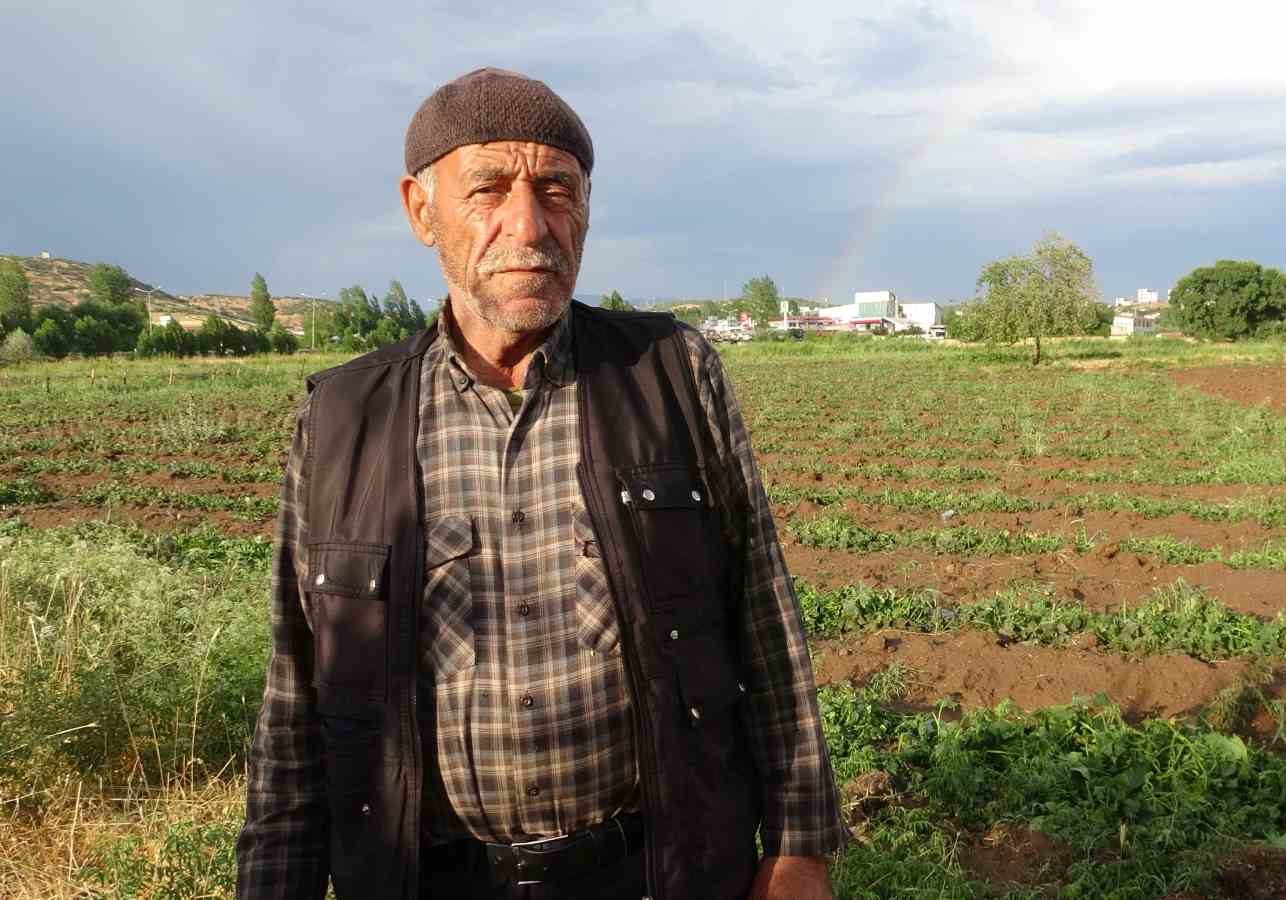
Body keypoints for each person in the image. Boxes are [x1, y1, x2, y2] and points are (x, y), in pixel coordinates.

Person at [235, 67, 845, 900]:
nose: (530, 224)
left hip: (657, 869)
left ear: (586, 207)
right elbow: (295, 694)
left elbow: (764, 617)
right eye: (488, 189)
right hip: (426, 878)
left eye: (557, 189)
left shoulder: (671, 373)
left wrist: (800, 848)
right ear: (421, 210)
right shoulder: (342, 418)